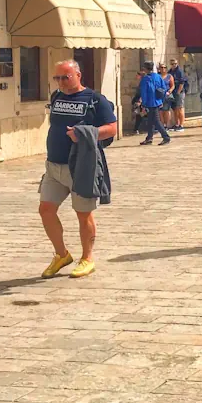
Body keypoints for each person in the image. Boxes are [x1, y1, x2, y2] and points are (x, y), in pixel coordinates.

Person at [38, 60, 117, 279]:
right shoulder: (57, 96)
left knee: (83, 214)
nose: (61, 82)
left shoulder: (95, 99)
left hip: (81, 165)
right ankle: (61, 254)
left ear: (78, 75)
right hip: (54, 165)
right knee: (46, 209)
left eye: (66, 77)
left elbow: (112, 129)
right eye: (58, 78)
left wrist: (84, 132)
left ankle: (87, 258)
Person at [138, 62, 170, 146]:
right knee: (150, 121)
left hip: (150, 103)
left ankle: (166, 137)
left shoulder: (145, 79)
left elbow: (144, 93)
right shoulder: (158, 76)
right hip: (158, 102)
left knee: (156, 121)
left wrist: (143, 104)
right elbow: (164, 89)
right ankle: (149, 138)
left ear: (145, 68)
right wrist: (161, 100)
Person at [168, 58, 187, 131]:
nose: (174, 65)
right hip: (173, 92)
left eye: (175, 64)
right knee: (175, 109)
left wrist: (178, 92)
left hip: (180, 92)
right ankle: (176, 124)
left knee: (180, 108)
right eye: (172, 64)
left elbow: (182, 83)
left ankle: (181, 125)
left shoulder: (179, 71)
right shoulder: (170, 72)